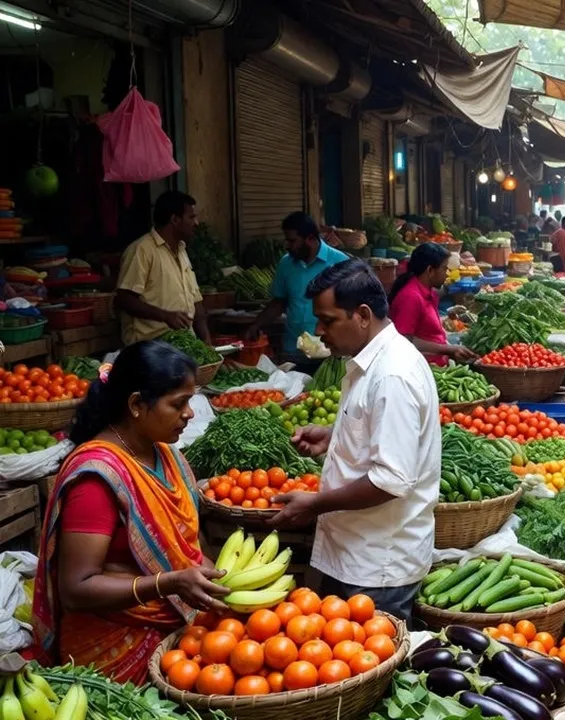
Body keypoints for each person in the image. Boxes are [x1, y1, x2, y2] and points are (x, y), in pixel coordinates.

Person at [33, 341, 229, 683]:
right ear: (137, 404)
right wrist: (170, 583)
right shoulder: (97, 478)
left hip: (178, 635)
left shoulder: (167, 459)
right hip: (111, 652)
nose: (190, 413)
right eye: (178, 403)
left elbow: (187, 547)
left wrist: (216, 582)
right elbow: (76, 588)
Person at [269, 260, 439, 620]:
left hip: (377, 565)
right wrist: (334, 437)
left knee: (372, 669)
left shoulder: (392, 375)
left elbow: (390, 480)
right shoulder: (369, 363)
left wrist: (315, 504)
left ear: (362, 315)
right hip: (355, 553)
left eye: (328, 320)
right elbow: (380, 438)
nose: (319, 330)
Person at [244, 212, 347, 366]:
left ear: (310, 239)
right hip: (293, 351)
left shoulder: (340, 262)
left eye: (292, 241)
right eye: (286, 240)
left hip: (329, 352)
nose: (287, 245)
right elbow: (279, 301)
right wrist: (256, 325)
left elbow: (351, 307)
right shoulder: (286, 264)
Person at [115, 191, 212, 346]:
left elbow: (196, 303)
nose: (197, 223)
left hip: (184, 342)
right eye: (191, 217)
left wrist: (206, 340)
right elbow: (124, 299)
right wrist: (165, 316)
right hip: (150, 346)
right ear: (174, 219)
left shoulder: (181, 250)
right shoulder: (141, 250)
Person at [388, 243, 477, 365]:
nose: (447, 273)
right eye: (444, 269)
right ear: (430, 270)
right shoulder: (411, 297)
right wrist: (448, 349)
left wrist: (450, 349)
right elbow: (403, 339)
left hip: (438, 362)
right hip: (422, 367)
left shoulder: (428, 292)